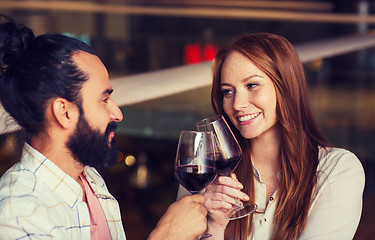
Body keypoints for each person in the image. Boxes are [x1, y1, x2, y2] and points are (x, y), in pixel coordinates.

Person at [0, 15, 207, 240]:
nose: (117, 114)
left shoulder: (89, 178)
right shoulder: (19, 216)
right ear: (64, 112)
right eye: (104, 99)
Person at [177, 32, 365, 239]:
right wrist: (215, 224)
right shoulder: (205, 172)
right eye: (228, 92)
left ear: (285, 86)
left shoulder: (337, 170)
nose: (237, 104)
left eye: (252, 85)